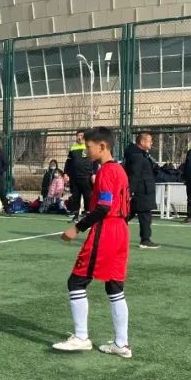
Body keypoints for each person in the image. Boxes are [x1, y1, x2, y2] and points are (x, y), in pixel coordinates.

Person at [53, 127, 133, 358]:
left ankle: (81, 337)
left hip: (106, 230)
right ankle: (121, 344)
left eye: (88, 147)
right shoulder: (119, 170)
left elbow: (103, 207)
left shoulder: (107, 171)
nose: (86, 151)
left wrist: (77, 228)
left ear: (102, 146)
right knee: (114, 287)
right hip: (121, 230)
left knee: (76, 281)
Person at [123, 131, 160, 248]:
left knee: (128, 214)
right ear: (142, 142)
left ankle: (110, 231)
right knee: (144, 215)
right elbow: (134, 175)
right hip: (141, 191)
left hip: (143, 190)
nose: (151, 143)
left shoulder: (141, 154)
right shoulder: (137, 156)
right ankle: (145, 240)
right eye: (150, 141)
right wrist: (130, 192)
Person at [63, 129, 92, 221]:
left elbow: (94, 161)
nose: (79, 137)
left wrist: (94, 173)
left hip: (86, 176)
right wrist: (65, 173)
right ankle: (75, 214)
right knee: (75, 196)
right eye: (78, 135)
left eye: (81, 135)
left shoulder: (89, 146)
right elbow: (68, 162)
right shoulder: (73, 148)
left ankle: (87, 213)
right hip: (74, 177)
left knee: (88, 196)